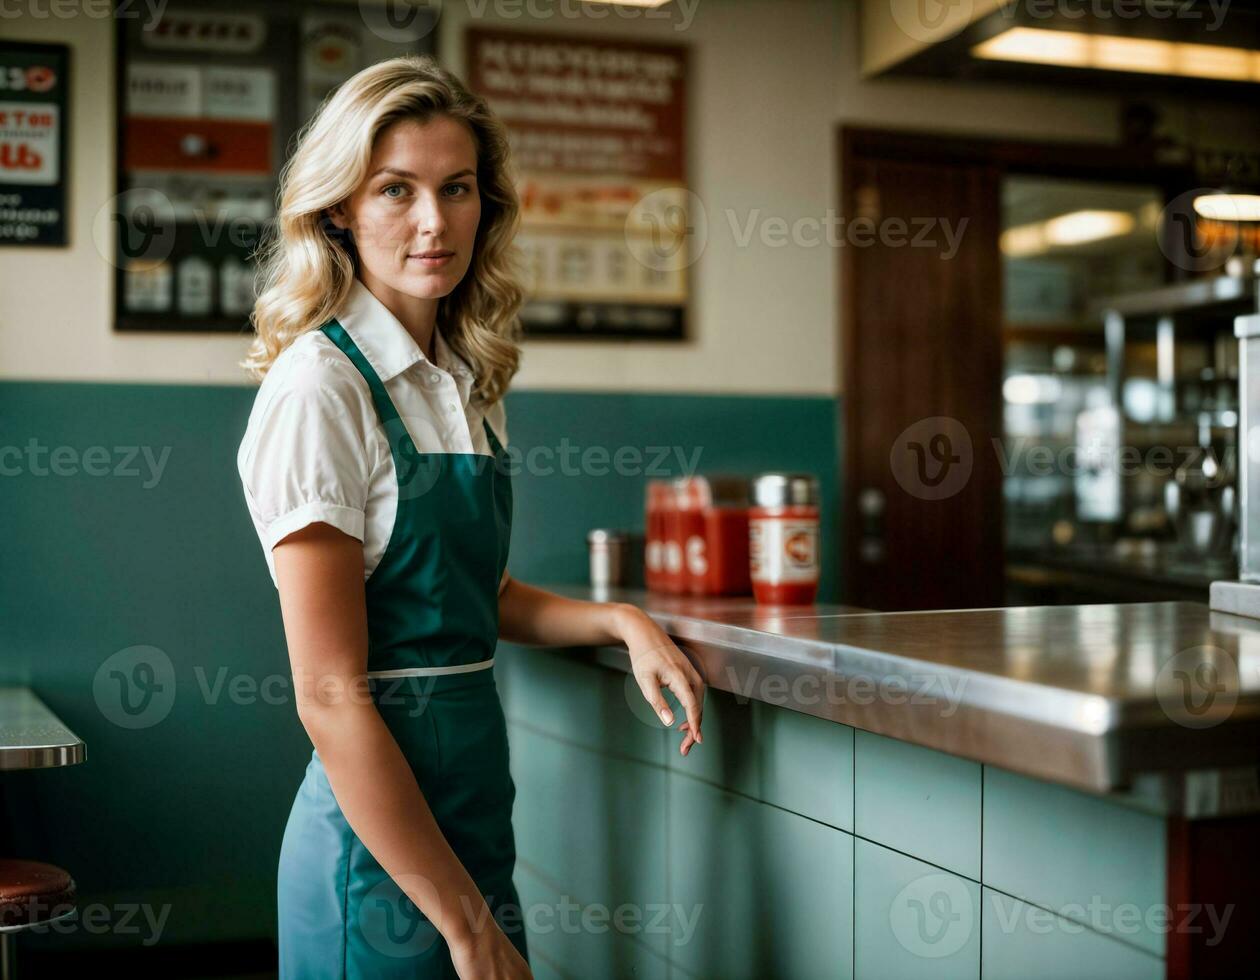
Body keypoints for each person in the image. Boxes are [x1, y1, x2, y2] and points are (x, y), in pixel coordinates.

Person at [235, 55, 705, 979]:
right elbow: (330, 696)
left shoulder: (466, 378)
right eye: (395, 190)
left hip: (474, 825)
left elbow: (477, 599)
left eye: (456, 189)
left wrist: (622, 620)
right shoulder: (319, 389)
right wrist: (466, 928)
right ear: (340, 208)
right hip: (380, 858)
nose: (432, 221)